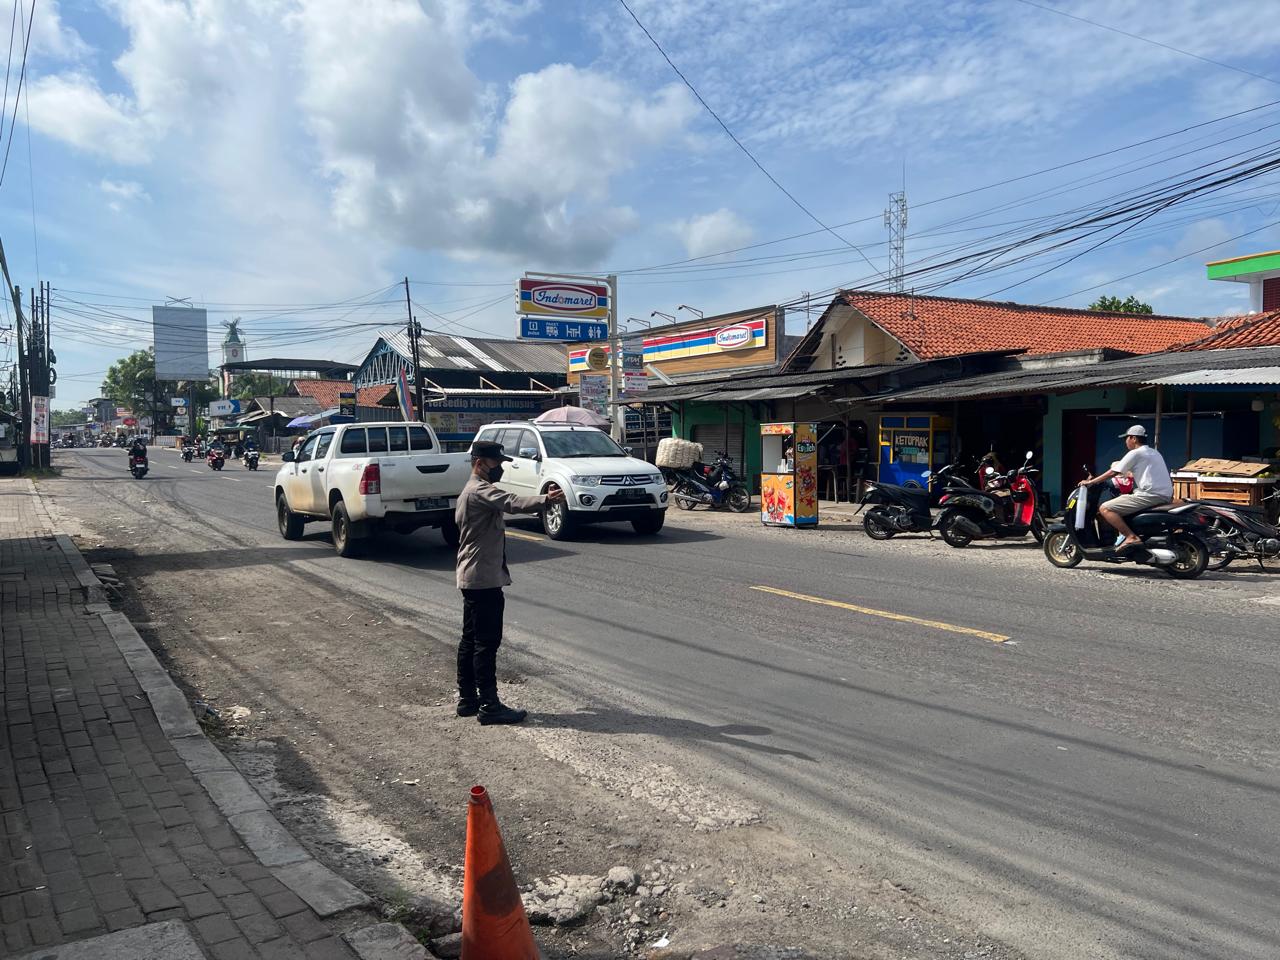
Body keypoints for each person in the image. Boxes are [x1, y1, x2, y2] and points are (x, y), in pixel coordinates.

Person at [453, 440, 565, 725]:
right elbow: (511, 502)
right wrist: (546, 499)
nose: (500, 468)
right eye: (496, 463)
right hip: (483, 578)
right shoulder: (479, 490)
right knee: (486, 643)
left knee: (471, 640)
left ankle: (468, 700)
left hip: (474, 576)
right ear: (480, 463)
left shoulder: (470, 490)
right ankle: (489, 706)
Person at [1082, 425, 1173, 549]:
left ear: (1133, 438)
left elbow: (1113, 472)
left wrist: (1091, 482)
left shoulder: (1135, 453)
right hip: (1164, 494)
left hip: (1150, 495)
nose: (1126, 441)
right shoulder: (1154, 452)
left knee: (1105, 508)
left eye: (1127, 438)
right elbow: (1137, 472)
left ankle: (1131, 537)